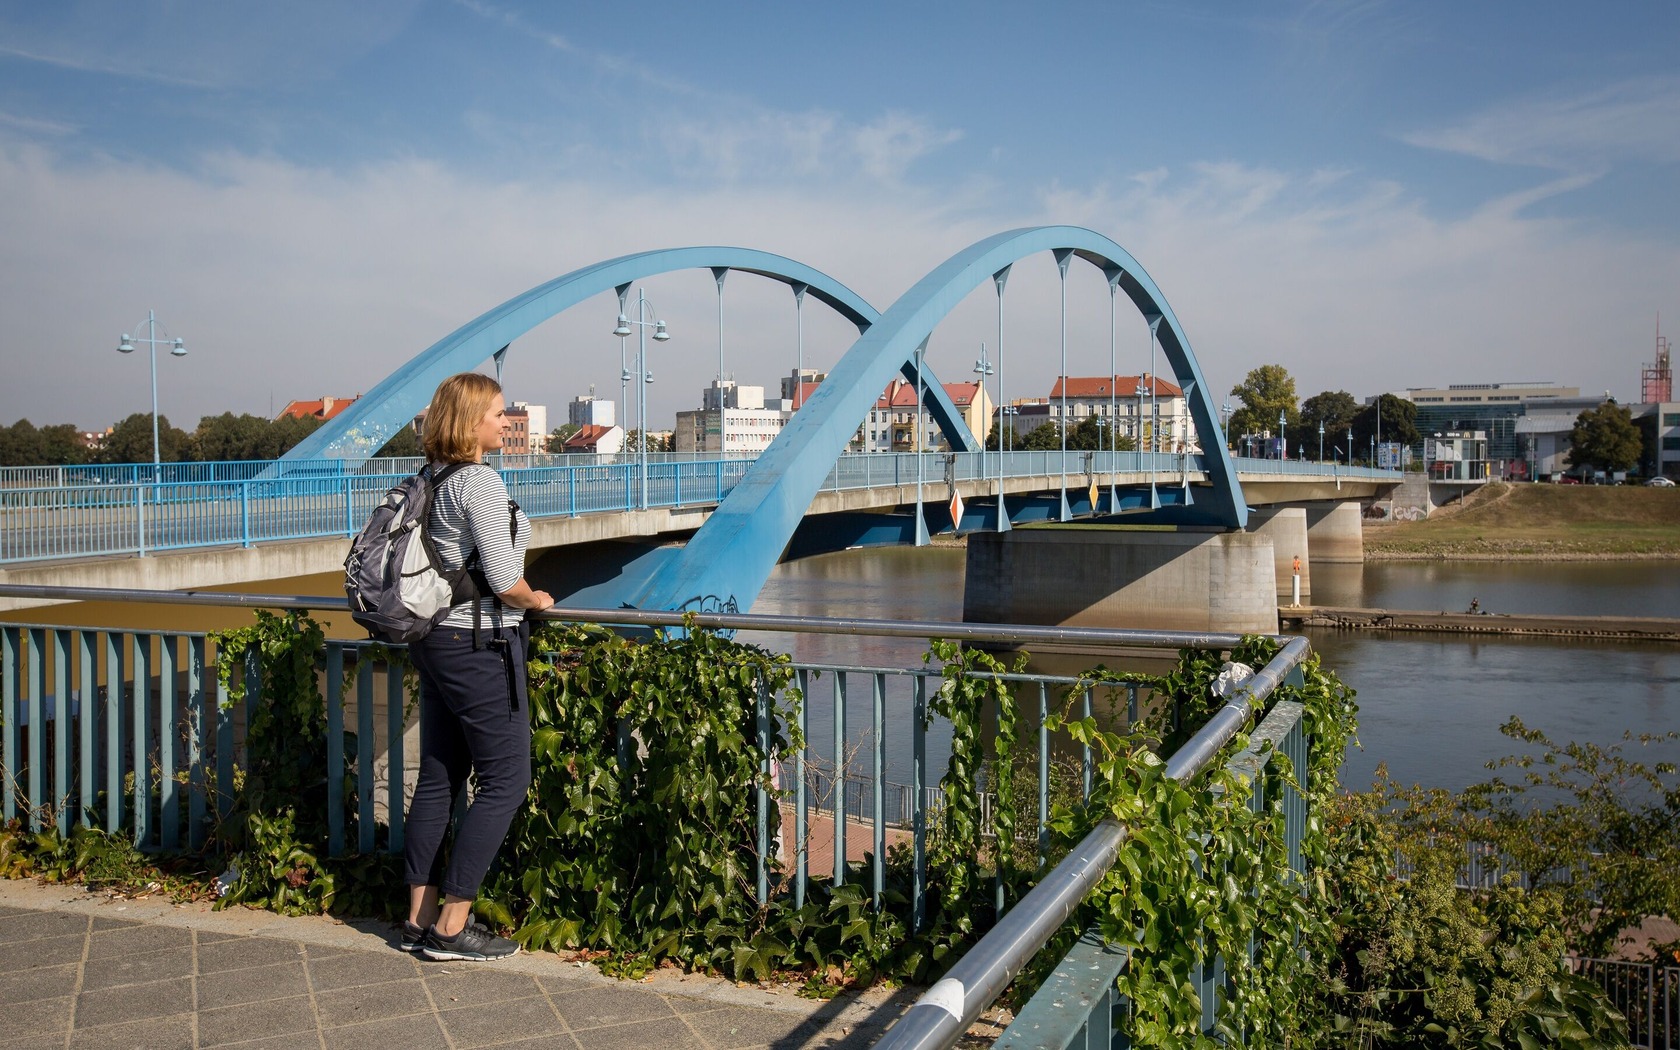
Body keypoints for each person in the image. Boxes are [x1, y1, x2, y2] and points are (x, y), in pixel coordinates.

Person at [400, 372, 553, 962]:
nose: (505, 420)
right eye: (496, 412)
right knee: (507, 781)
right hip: (477, 645)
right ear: (470, 422)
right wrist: (534, 597)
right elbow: (501, 576)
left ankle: (417, 916)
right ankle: (452, 926)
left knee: (440, 775)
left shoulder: (429, 479)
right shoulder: (480, 484)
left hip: (435, 639)